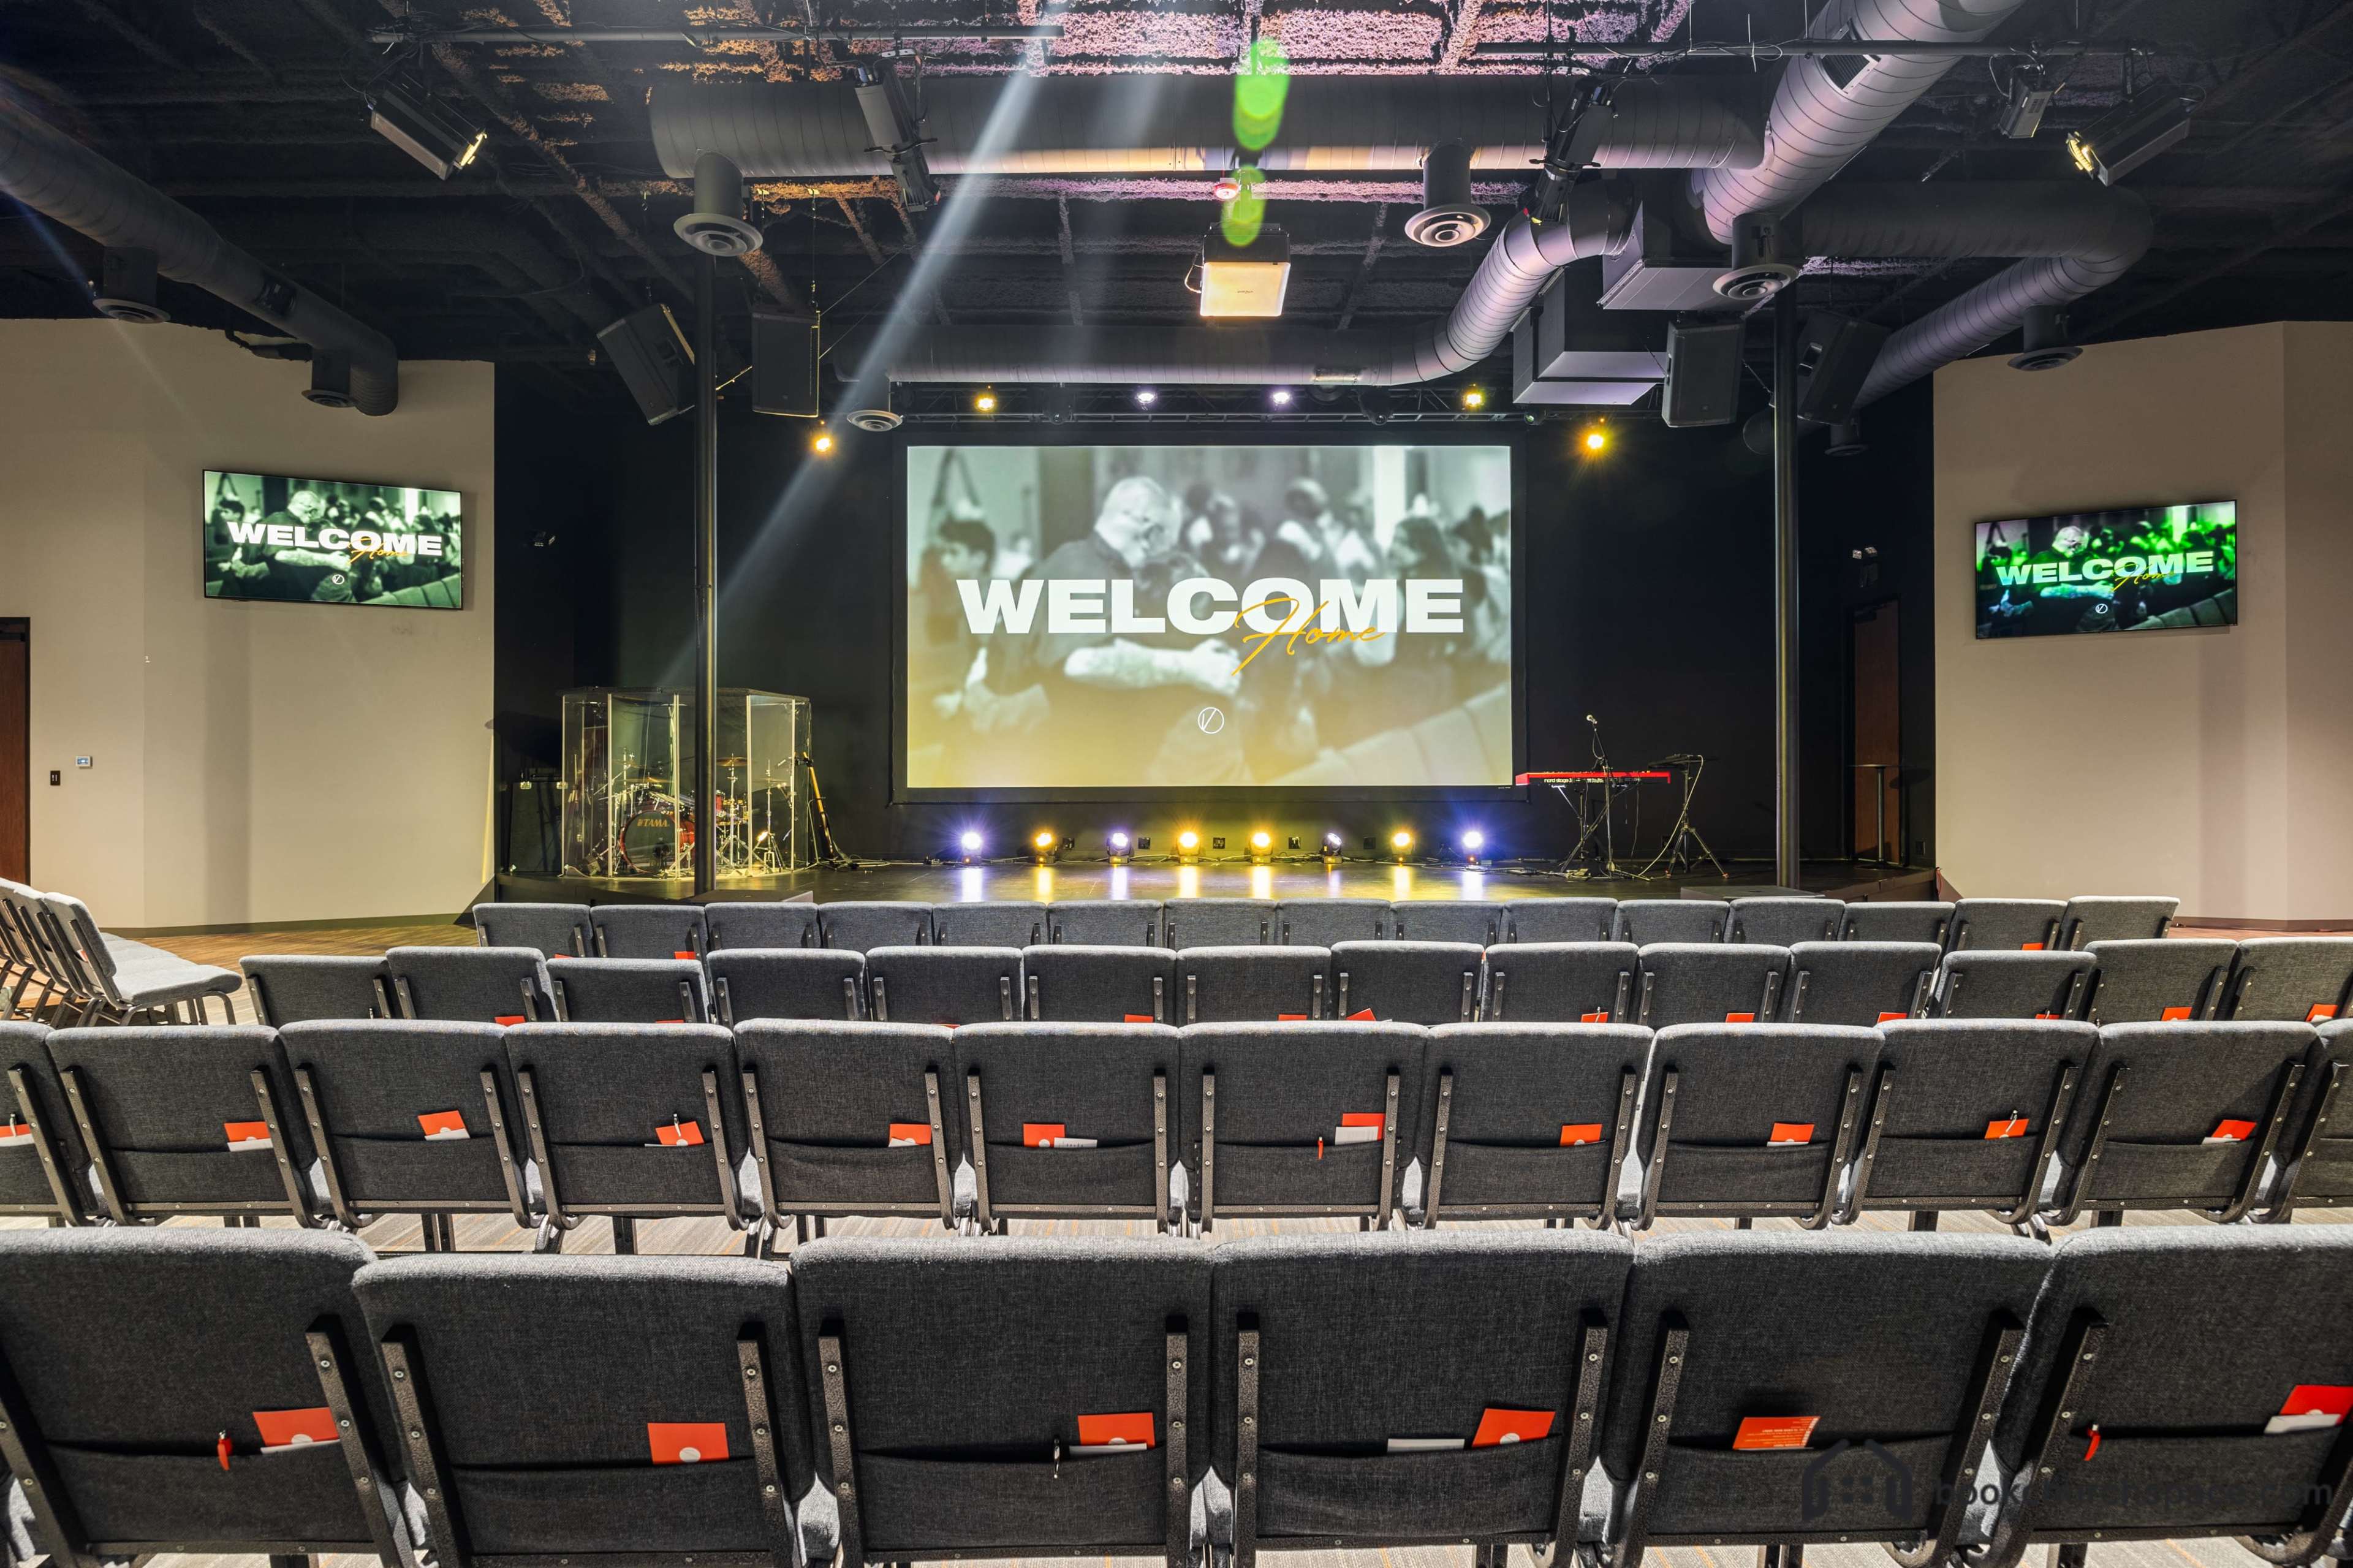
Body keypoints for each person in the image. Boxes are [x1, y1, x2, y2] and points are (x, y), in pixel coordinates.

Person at [1004, 475, 1245, 786]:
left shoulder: (1097, 567)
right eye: (1170, 543)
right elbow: (1083, 662)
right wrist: (1192, 667)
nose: (1168, 555)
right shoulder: (1083, 566)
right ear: (1151, 534)